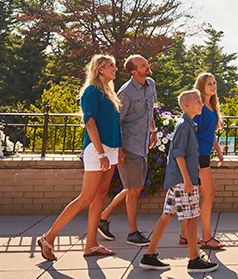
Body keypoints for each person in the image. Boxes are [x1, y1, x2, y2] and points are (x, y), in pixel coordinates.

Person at [38, 54, 122, 261]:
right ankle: (48, 237)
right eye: (111, 65)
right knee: (86, 198)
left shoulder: (109, 93)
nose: (116, 69)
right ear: (100, 69)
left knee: (101, 196)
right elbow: (90, 123)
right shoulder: (92, 91)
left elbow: (114, 125)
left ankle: (91, 244)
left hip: (110, 150)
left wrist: (118, 150)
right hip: (97, 150)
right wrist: (101, 152)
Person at [139, 90, 218, 273]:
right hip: (184, 181)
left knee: (167, 215)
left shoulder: (189, 124)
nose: (201, 104)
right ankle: (194, 260)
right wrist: (188, 181)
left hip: (180, 180)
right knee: (192, 217)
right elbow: (178, 154)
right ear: (186, 106)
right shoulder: (184, 125)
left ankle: (149, 255)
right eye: (198, 101)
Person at [98, 54, 158, 246]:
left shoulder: (151, 84)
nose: (147, 66)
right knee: (133, 190)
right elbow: (118, 121)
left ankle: (103, 217)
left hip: (143, 146)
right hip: (129, 146)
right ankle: (133, 232)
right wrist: (120, 149)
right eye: (143, 65)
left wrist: (153, 131)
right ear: (134, 71)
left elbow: (150, 111)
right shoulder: (126, 92)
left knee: (135, 187)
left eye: (146, 62)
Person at [179, 73, 225, 249]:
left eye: (214, 83)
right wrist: (195, 159)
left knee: (195, 196)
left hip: (205, 154)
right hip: (197, 156)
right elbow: (192, 133)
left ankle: (185, 235)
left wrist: (219, 152)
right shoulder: (199, 109)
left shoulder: (211, 108)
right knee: (209, 193)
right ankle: (206, 237)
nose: (213, 86)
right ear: (201, 86)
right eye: (209, 84)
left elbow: (210, 133)